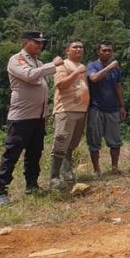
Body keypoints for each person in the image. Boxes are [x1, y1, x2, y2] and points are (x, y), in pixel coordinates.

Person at [0, 31, 64, 205]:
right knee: (12, 153)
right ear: (25, 42)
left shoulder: (38, 62)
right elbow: (29, 75)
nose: (40, 45)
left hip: (38, 116)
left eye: (41, 43)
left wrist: (45, 114)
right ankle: (2, 191)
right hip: (21, 117)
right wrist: (54, 64)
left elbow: (42, 86)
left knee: (34, 153)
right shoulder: (16, 59)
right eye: (36, 42)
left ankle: (32, 185)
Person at [49, 40, 90, 190]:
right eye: (75, 47)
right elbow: (61, 85)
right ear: (67, 50)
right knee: (61, 143)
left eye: (81, 47)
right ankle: (54, 178)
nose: (79, 49)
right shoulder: (63, 65)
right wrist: (76, 73)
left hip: (81, 110)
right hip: (66, 110)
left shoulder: (81, 66)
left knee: (71, 145)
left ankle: (67, 173)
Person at [86, 41, 126, 176]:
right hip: (96, 108)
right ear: (98, 52)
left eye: (109, 50)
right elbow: (94, 78)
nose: (107, 53)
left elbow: (118, 87)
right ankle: (96, 170)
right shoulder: (92, 66)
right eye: (104, 50)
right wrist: (110, 67)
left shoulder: (116, 69)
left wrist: (122, 106)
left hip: (113, 108)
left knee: (115, 141)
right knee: (94, 141)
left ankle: (114, 167)